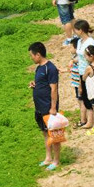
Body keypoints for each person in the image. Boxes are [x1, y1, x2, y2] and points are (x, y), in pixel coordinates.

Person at [28, 41, 60, 170]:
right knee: (45, 133)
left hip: (48, 107)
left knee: (54, 134)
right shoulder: (39, 67)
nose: (31, 58)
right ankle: (48, 157)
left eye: (32, 55)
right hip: (39, 107)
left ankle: (56, 161)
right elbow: (41, 82)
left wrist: (53, 107)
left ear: (38, 55)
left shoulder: (50, 68)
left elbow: (54, 89)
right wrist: (34, 84)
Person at [73, 19, 94, 129]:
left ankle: (90, 122)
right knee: (83, 96)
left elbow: (92, 58)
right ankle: (89, 120)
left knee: (88, 97)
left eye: (76, 30)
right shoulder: (79, 42)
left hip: (87, 72)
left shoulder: (90, 42)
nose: (75, 32)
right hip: (81, 71)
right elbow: (80, 57)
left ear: (81, 30)